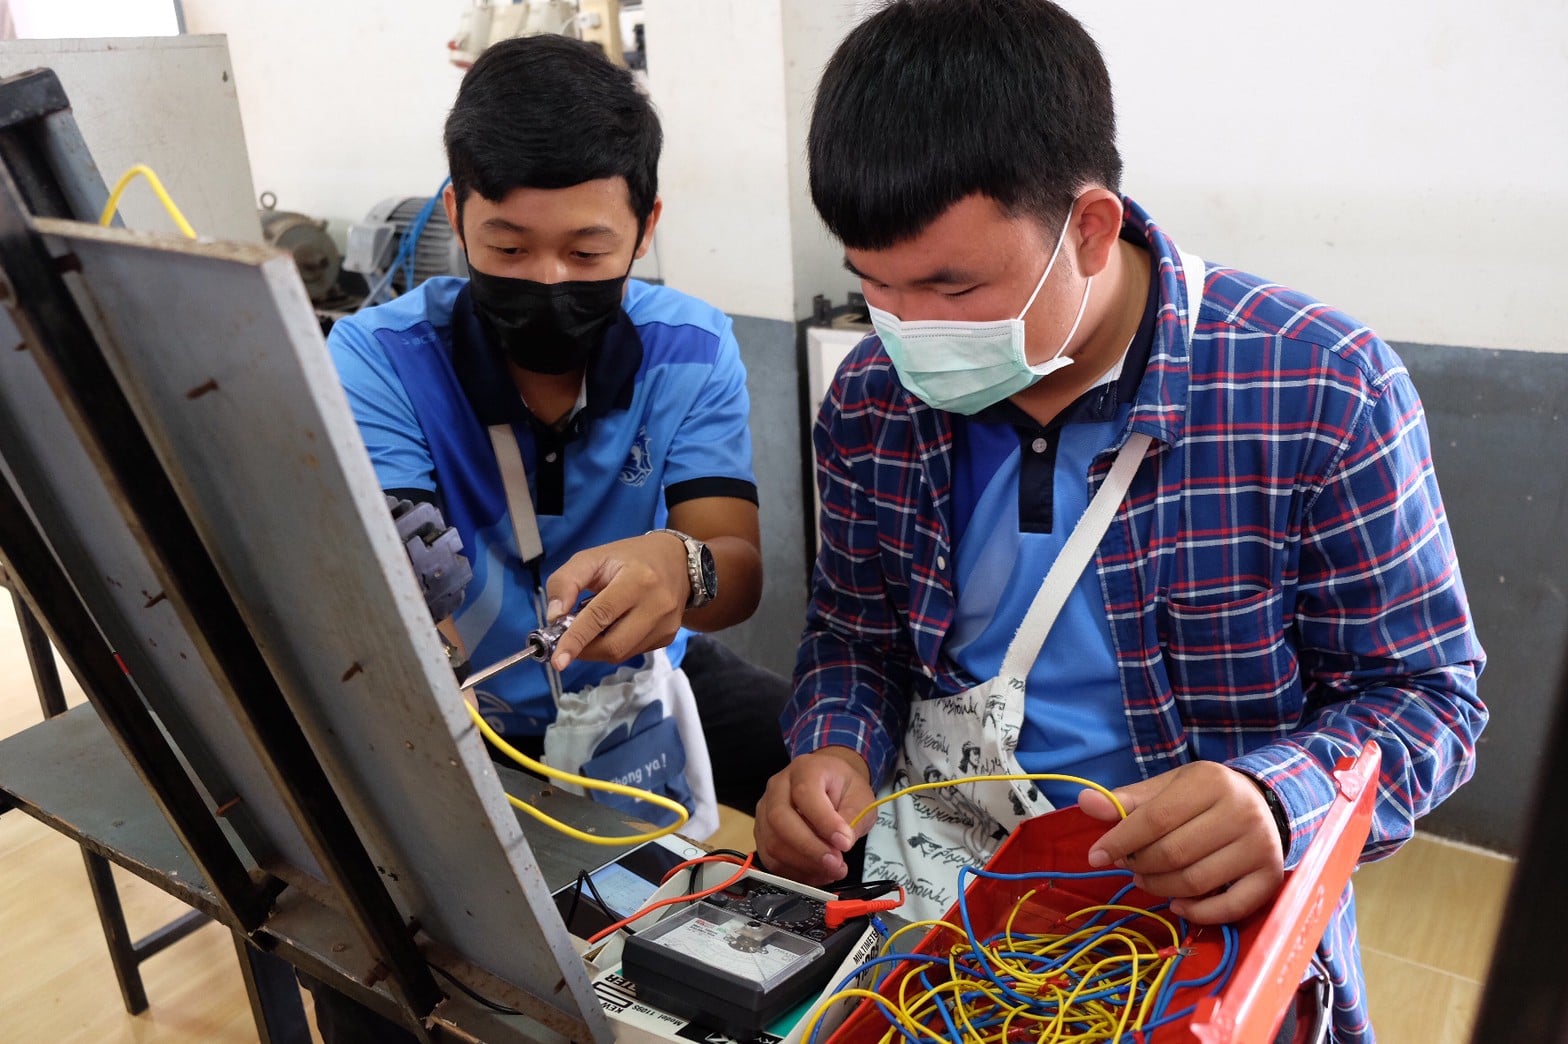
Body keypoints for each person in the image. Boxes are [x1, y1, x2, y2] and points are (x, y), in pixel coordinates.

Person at [753, 2, 1487, 1041]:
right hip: (939, 920)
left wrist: (1274, 800)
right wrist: (832, 748)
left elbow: (1429, 700)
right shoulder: (875, 401)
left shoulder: (1315, 385)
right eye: (874, 286)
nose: (910, 331)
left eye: (951, 285)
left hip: (1189, 933)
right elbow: (853, 639)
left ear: (1088, 228)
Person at [314, 33, 793, 1042]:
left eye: (586, 252)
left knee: (822, 773)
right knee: (369, 972)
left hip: (636, 682)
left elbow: (734, 568)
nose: (545, 280)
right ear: (454, 216)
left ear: (645, 225)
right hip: (464, 712)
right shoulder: (375, 358)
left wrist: (681, 563)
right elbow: (405, 581)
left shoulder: (689, 346)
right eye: (506, 249)